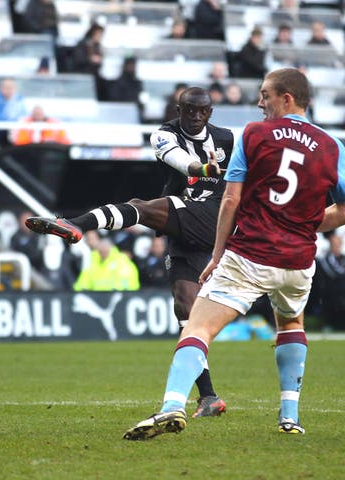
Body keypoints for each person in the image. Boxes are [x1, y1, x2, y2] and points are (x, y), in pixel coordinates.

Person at [123, 68, 345, 440]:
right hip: (298, 261)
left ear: (286, 98)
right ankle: (289, 417)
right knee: (290, 325)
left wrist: (216, 254)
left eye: (265, 95)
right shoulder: (333, 146)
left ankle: (172, 406)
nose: (259, 102)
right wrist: (305, 225)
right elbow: (343, 207)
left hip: (250, 255)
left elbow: (230, 200)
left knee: (197, 328)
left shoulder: (254, 134)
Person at [26, 87, 233, 417]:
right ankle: (208, 396)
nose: (195, 117)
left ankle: (76, 225)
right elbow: (180, 161)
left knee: (140, 207)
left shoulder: (227, 139)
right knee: (185, 307)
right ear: (178, 110)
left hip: (212, 215)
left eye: (202, 111)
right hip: (183, 227)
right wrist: (201, 169)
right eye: (189, 110)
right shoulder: (163, 135)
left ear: (210, 112)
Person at [73, 231, 140, 292]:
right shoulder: (92, 260)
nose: (103, 252)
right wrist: (80, 290)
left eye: (105, 251)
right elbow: (83, 281)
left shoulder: (122, 261)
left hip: (117, 297)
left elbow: (128, 282)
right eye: (100, 251)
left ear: (110, 249)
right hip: (95, 298)